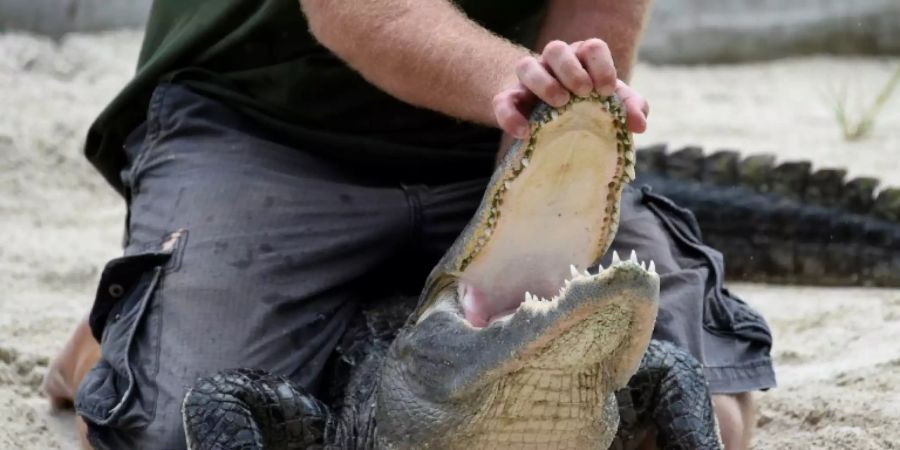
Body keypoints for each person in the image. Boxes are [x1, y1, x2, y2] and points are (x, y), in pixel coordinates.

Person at [43, 1, 775, 449]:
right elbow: (366, 10)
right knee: (171, 437)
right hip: (266, 121)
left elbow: (596, 16)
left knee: (710, 418)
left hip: (490, 133)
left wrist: (560, 119)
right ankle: (120, 327)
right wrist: (525, 86)